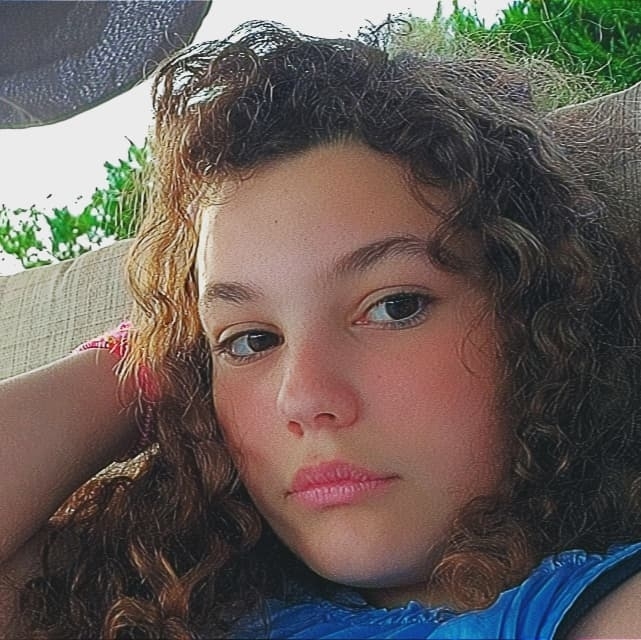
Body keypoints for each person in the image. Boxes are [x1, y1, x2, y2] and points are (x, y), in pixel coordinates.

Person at [2, 20, 641, 639]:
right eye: (251, 341)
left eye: (394, 307)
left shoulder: (594, 611)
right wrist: (147, 362)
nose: (304, 398)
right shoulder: (154, 598)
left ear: (531, 313)